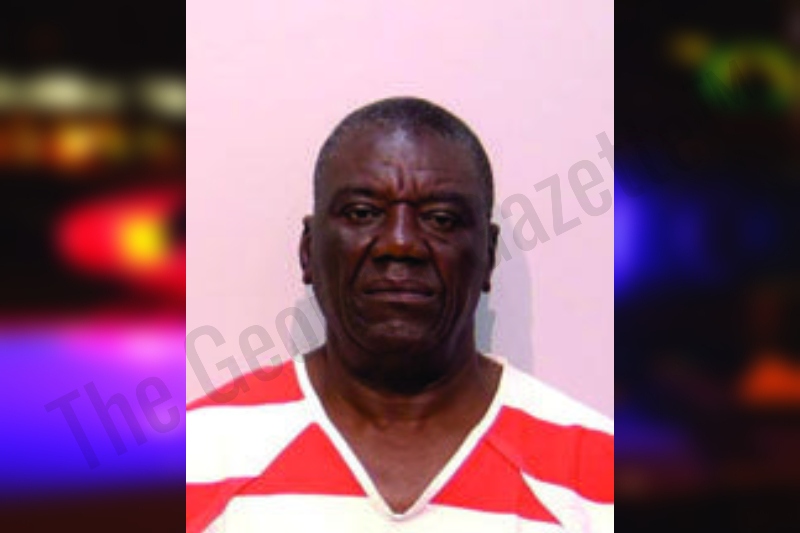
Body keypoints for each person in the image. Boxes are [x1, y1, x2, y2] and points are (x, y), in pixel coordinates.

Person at [186, 97, 613, 532]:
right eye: (362, 213)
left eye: (441, 219)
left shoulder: (598, 475)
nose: (400, 244)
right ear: (308, 251)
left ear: (487, 255)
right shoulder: (196, 457)